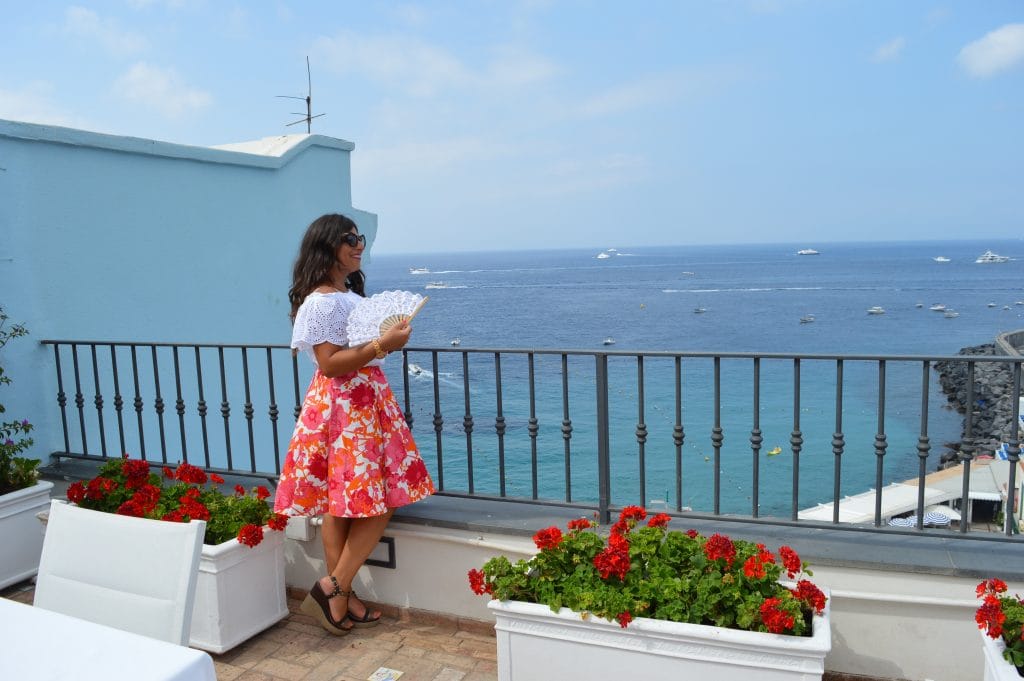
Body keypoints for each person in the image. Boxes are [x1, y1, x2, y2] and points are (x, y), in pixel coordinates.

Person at [274, 213, 435, 635]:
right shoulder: (322, 301)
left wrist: (384, 343)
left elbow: (357, 351)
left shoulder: (343, 295)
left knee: (343, 503)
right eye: (349, 239)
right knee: (378, 500)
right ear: (327, 246)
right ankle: (335, 586)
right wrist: (384, 342)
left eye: (359, 237)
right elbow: (329, 364)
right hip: (348, 407)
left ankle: (340, 602)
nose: (359, 244)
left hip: (360, 403)